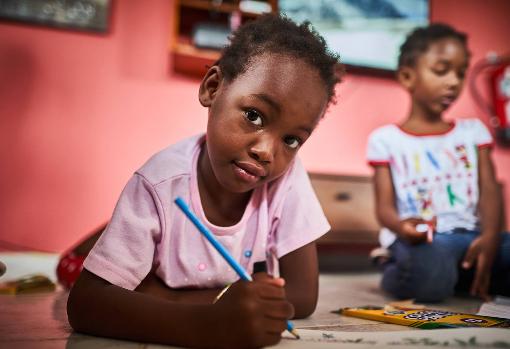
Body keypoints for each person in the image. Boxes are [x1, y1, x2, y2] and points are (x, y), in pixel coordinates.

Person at [67, 14, 342, 349]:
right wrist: (207, 323)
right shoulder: (159, 182)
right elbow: (85, 304)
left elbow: (302, 295)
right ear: (213, 88)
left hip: (167, 289)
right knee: (69, 267)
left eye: (292, 140)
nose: (266, 151)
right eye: (253, 115)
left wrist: (167, 297)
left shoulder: (287, 179)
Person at [367, 23, 510, 303]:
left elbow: (490, 189)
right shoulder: (385, 140)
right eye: (441, 70)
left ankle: (460, 275)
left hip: (473, 236)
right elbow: (384, 209)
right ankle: (394, 268)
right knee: (431, 270)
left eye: (460, 72)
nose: (454, 82)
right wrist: (400, 227)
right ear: (408, 77)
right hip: (425, 239)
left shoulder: (473, 132)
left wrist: (491, 236)